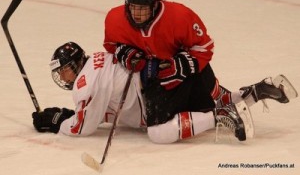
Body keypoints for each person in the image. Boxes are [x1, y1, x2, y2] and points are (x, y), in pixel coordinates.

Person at [32, 42, 294, 144]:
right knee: (204, 102)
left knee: (159, 133)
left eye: (64, 71)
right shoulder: (98, 59)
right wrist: (70, 113)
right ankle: (255, 91)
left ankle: (221, 115)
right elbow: (100, 110)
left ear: (75, 66)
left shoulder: (84, 85)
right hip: (168, 75)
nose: (63, 77)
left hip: (152, 100)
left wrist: (58, 122)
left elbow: (82, 128)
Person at [102, 0, 253, 141]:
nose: (136, 13)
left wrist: (183, 66)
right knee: (201, 109)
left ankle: (224, 108)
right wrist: (124, 51)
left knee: (158, 133)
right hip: (153, 83)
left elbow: (204, 47)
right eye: (133, 7)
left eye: (142, 8)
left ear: (154, 5)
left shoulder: (180, 16)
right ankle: (244, 97)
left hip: (183, 76)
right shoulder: (115, 19)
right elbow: (111, 44)